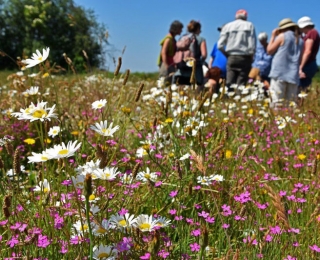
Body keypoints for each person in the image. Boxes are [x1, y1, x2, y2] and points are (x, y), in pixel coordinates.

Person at [267, 18, 304, 107]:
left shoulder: (282, 36)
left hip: (280, 72)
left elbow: (269, 50)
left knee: (277, 100)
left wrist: (272, 36)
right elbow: (300, 58)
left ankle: (275, 119)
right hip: (293, 74)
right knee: (290, 102)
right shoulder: (300, 41)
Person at [217, 9, 256, 88]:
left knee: (229, 83)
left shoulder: (228, 26)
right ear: (246, 17)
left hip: (231, 56)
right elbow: (252, 45)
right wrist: (251, 57)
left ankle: (227, 99)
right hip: (244, 57)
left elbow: (220, 45)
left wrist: (227, 55)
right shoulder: (249, 25)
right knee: (241, 85)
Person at [172, 20, 207, 88]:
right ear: (197, 29)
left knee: (181, 93)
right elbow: (204, 55)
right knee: (194, 93)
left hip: (181, 71)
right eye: (200, 29)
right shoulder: (201, 39)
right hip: (195, 72)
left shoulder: (182, 38)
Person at [297, 16, 320, 91]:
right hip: (308, 64)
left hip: (307, 64)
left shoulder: (312, 33)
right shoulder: (308, 34)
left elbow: (307, 51)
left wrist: (300, 67)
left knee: (301, 89)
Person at [205, 26, 227, 92]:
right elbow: (212, 57)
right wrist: (210, 67)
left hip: (226, 72)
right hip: (215, 71)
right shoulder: (217, 44)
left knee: (224, 88)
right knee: (212, 84)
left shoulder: (232, 45)